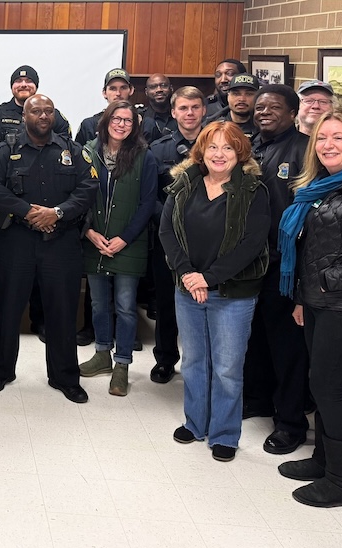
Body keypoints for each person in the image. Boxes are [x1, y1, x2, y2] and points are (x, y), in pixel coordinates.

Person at [160, 121, 270, 462]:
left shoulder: (253, 190)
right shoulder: (184, 185)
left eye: (227, 147)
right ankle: (195, 423)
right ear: (201, 152)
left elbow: (252, 243)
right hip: (188, 289)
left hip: (233, 293)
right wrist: (188, 274)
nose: (219, 154)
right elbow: (167, 232)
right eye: (212, 147)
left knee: (227, 368)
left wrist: (207, 278)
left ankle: (224, 434)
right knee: (194, 361)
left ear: (240, 152)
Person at [0, 94, 98, 402]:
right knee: (6, 309)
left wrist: (57, 213)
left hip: (61, 242)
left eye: (48, 111)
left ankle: (64, 377)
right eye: (36, 111)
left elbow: (89, 186)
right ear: (24, 116)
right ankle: (1, 371)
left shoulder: (73, 151)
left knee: (62, 312)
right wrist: (27, 211)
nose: (43, 116)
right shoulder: (6, 150)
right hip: (16, 241)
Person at [277, 109, 342, 508]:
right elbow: (309, 249)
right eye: (322, 138)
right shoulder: (320, 187)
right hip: (315, 300)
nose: (328, 145)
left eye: (338, 137)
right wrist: (302, 296)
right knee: (319, 383)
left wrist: (330, 280)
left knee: (328, 388)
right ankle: (324, 460)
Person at [0, 65, 69, 342]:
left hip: (46, 197)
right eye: (19, 81)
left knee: (41, 269)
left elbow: (65, 153)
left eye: (29, 81)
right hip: (6, 201)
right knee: (1, 269)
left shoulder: (55, 116)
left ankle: (40, 321)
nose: (23, 84)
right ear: (12, 86)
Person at [242, 84, 311, 455]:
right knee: (256, 338)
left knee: (287, 347)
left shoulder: (305, 150)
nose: (264, 112)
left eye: (273, 107)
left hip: (286, 264)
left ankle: (290, 423)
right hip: (251, 261)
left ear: (293, 113)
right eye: (260, 107)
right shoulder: (250, 146)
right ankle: (258, 399)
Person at [79, 101, 157, 396]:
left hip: (129, 243)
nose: (121, 124)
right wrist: (88, 232)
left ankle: (122, 363)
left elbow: (147, 203)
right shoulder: (88, 152)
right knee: (98, 304)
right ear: (106, 121)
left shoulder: (144, 156)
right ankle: (102, 354)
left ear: (135, 126)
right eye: (116, 119)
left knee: (125, 307)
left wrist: (124, 238)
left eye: (128, 120)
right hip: (95, 240)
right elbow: (78, 196)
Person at [147, 86, 207, 383]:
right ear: (173, 112)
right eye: (183, 108)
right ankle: (165, 358)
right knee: (166, 300)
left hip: (209, 239)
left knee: (207, 299)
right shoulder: (159, 149)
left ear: (204, 110)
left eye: (195, 107)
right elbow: (150, 196)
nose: (189, 113)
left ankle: (204, 363)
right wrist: (171, 222)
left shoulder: (218, 144)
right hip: (168, 238)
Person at [75, 68, 160, 146]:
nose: (118, 93)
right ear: (104, 92)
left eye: (123, 88)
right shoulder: (89, 125)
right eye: (113, 88)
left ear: (131, 90)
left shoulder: (146, 124)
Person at [212, 73, 260, 141]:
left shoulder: (264, 126)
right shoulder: (213, 126)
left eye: (249, 94)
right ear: (228, 96)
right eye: (236, 94)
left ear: (258, 97)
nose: (242, 99)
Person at [141, 73, 177, 137]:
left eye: (163, 85)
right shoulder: (140, 117)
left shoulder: (180, 115)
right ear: (146, 92)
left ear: (171, 89)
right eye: (153, 87)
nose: (159, 90)